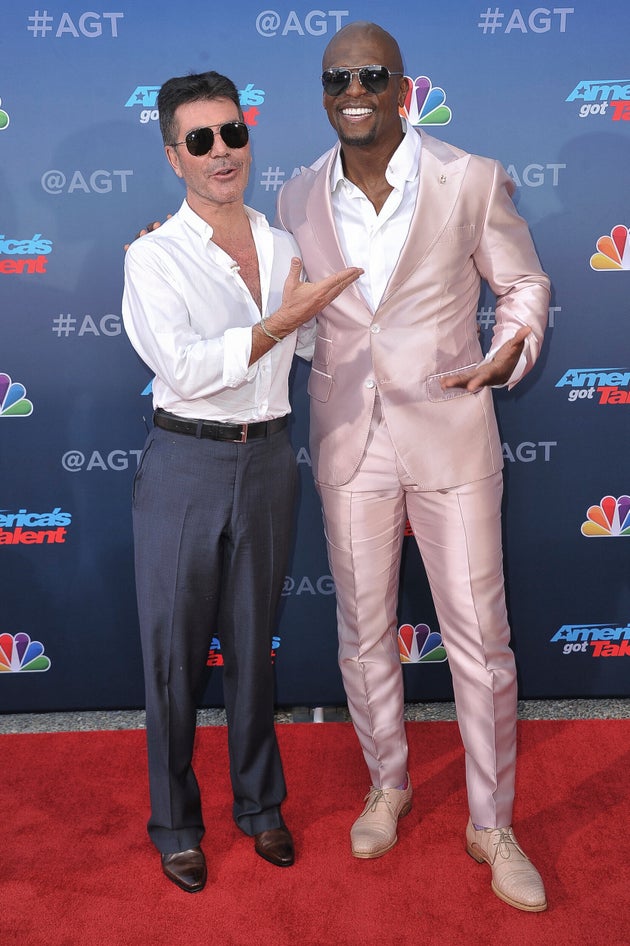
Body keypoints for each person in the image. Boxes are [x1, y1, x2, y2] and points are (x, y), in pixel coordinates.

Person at [275, 21, 550, 912]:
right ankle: (388, 782)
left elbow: (524, 283)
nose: (352, 88)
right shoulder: (295, 194)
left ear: (403, 87)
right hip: (350, 437)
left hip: (453, 432)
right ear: (323, 93)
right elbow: (297, 315)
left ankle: (492, 821)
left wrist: (510, 347)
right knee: (362, 632)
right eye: (335, 77)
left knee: (482, 642)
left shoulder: (468, 178)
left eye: (370, 74)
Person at [122, 70, 361, 894]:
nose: (222, 152)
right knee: (174, 658)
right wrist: (276, 326)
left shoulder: (283, 242)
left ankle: (261, 808)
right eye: (201, 141)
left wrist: (301, 327)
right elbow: (184, 370)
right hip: (185, 462)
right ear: (173, 156)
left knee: (255, 650)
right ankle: (176, 824)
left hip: (268, 460)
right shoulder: (151, 256)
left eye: (233, 133)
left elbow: (298, 356)